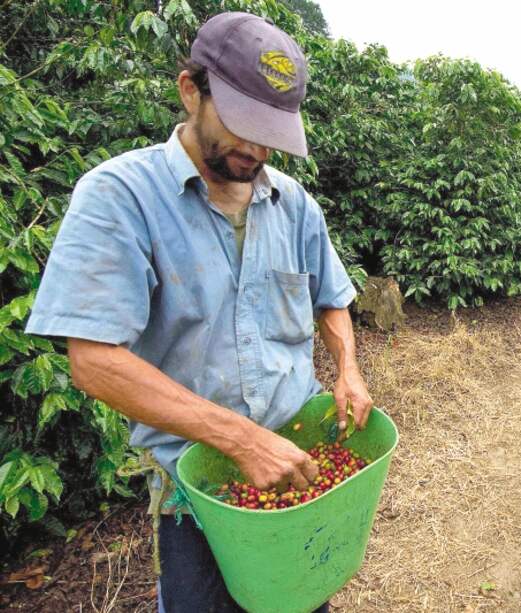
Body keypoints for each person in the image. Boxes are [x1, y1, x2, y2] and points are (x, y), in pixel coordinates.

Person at [25, 12, 372, 612]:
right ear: (191, 90)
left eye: (270, 133)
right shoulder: (119, 197)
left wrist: (348, 370)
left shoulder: (293, 204)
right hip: (198, 490)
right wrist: (240, 440)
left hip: (296, 463)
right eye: (242, 126)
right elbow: (94, 361)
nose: (257, 148)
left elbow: (332, 298)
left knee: (302, 599)